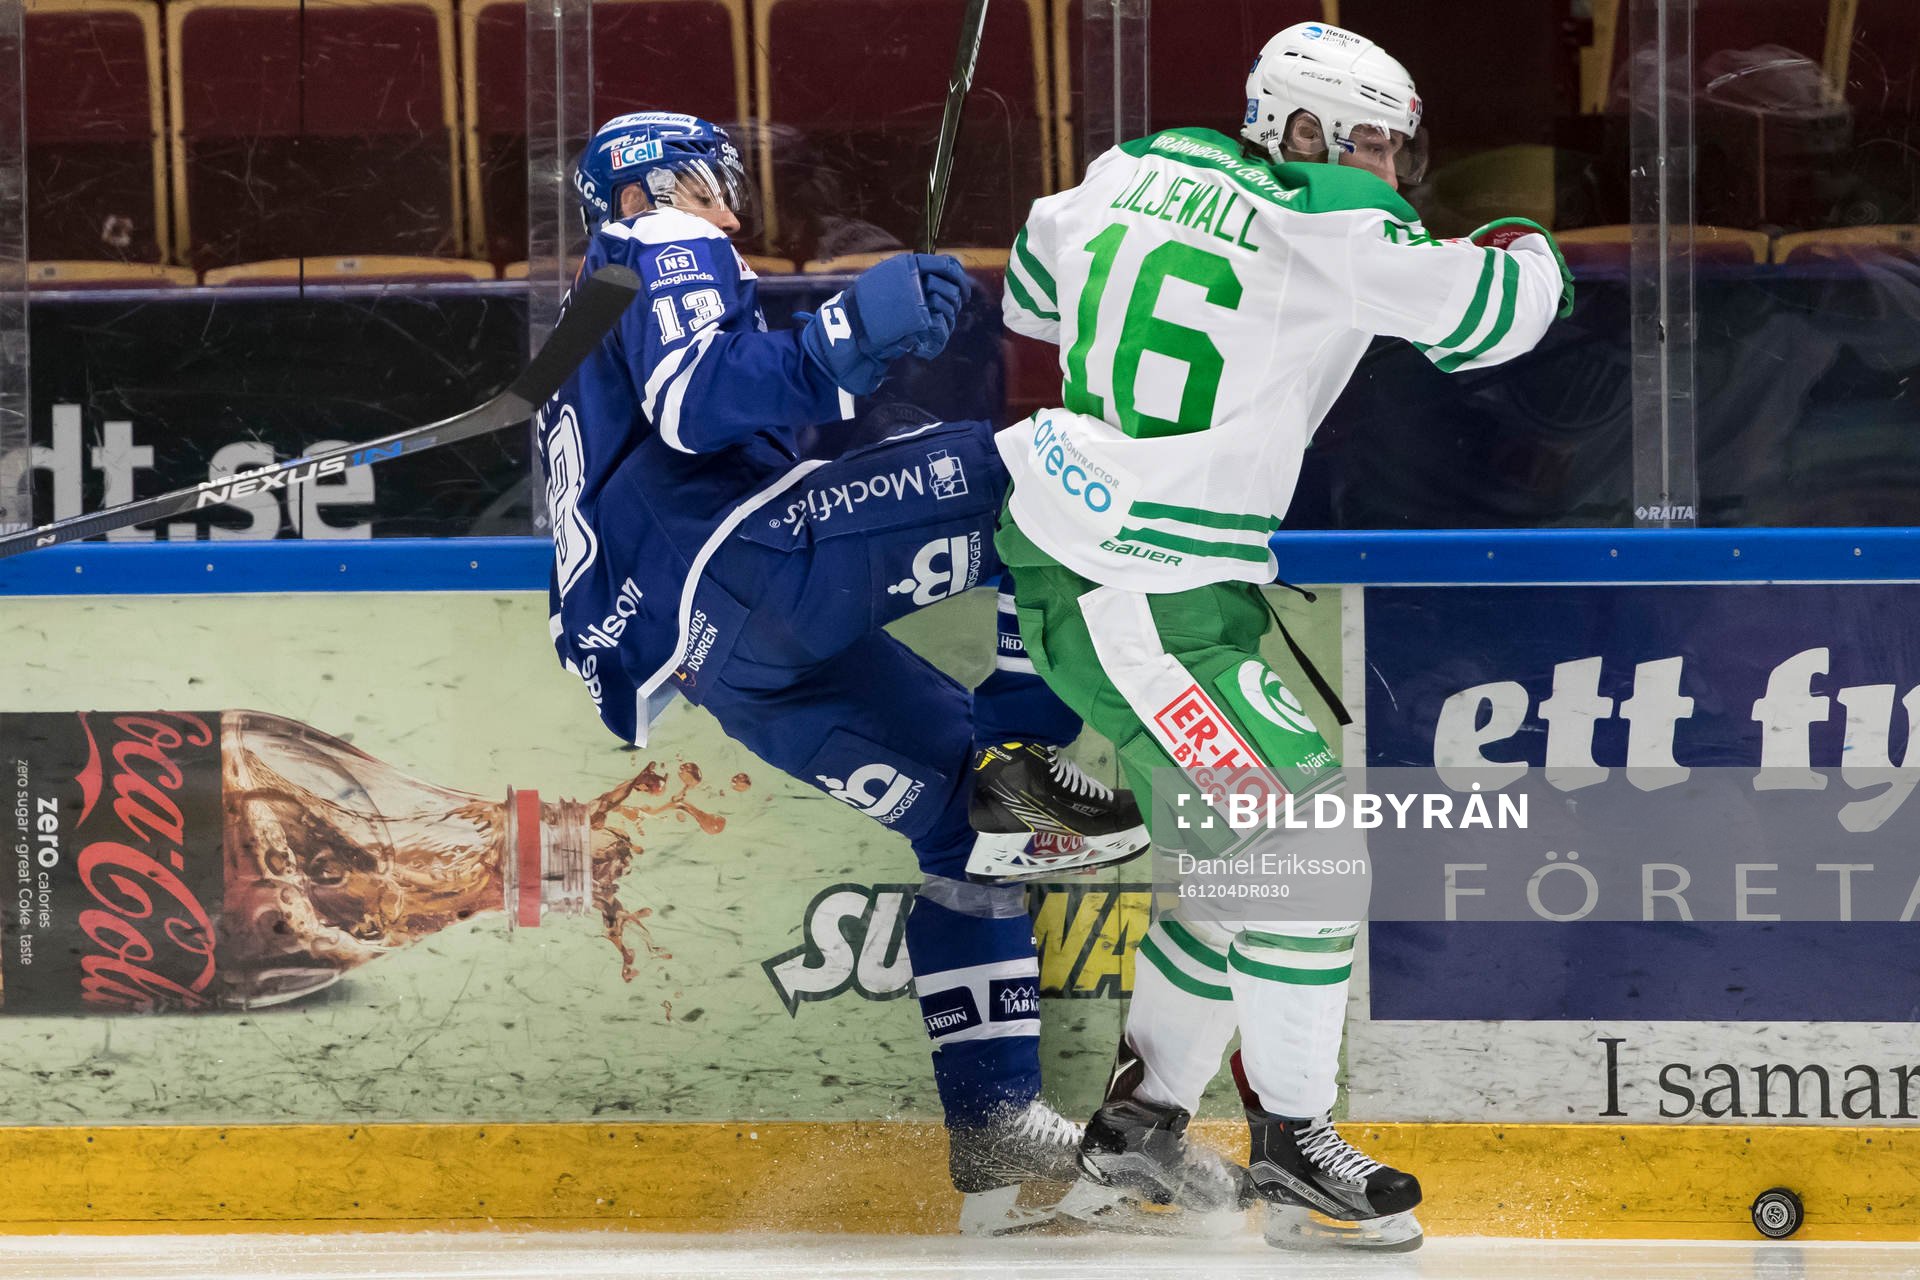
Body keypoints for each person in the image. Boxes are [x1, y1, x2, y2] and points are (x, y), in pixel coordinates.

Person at [994, 24, 1573, 1251]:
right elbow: (1504, 315)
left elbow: (1033, 290)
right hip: (1141, 596)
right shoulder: (1332, 224)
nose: (1385, 165)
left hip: (1120, 567)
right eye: (1365, 140)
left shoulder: (1120, 169)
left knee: (1239, 869)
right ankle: (1295, 1149)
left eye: (1394, 147)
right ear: (1295, 128)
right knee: (1309, 858)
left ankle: (1142, 1124)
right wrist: (1518, 225)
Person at [538, 111, 1150, 1234]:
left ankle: (1002, 1148)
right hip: (753, 569)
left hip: (729, 661)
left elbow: (709, 424)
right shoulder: (658, 239)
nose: (729, 194)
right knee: (1053, 469)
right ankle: (1025, 757)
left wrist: (856, 361)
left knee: (965, 832)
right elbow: (699, 398)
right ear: (656, 183)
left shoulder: (590, 321)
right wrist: (842, 329)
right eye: (711, 173)